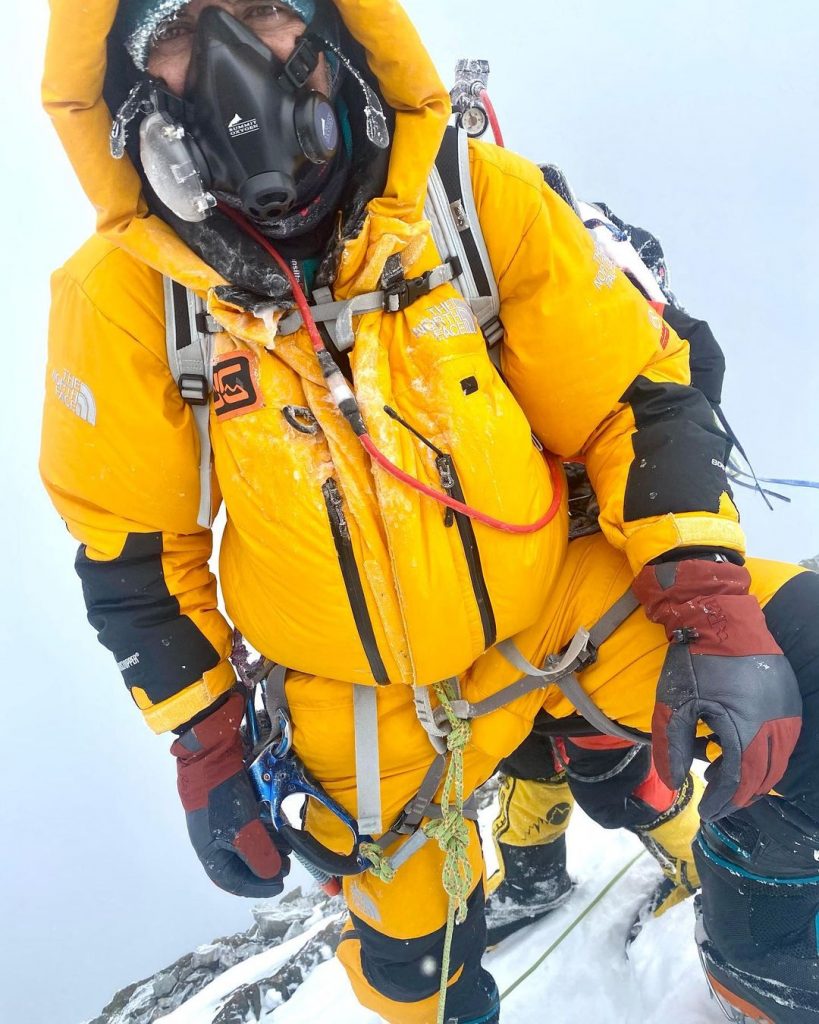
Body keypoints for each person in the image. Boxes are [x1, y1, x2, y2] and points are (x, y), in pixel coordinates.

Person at [40, 2, 819, 1022]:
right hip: (358, 710)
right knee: (417, 980)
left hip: (560, 605)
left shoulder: (468, 197)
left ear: (334, 24)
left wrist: (710, 594)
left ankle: (765, 971)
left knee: (806, 657)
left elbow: (632, 398)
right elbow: (135, 550)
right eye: (179, 29)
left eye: (265, 10)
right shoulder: (128, 295)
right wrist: (209, 742)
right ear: (129, 85)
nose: (231, 61)